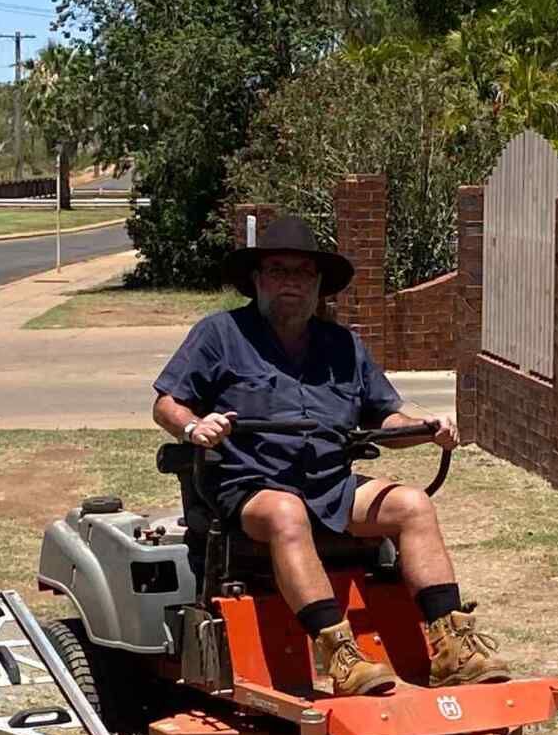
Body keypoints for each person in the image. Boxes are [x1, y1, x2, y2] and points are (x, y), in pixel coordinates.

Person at [152, 214, 508, 697]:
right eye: (278, 271)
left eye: (302, 274)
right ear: (257, 280)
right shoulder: (219, 335)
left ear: (319, 284)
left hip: (330, 484)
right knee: (286, 509)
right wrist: (195, 426)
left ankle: (452, 646)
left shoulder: (344, 346)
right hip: (248, 486)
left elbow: (386, 418)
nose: (290, 283)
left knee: (412, 504)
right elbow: (167, 403)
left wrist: (428, 430)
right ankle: (339, 652)